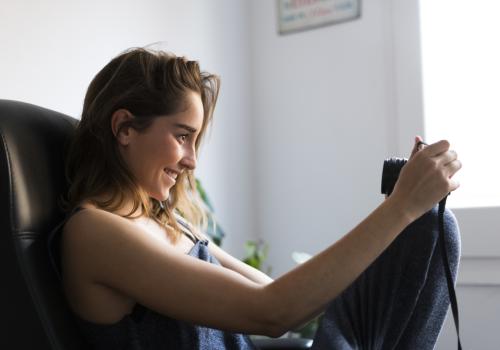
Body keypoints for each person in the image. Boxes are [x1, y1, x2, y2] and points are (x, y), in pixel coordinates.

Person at [47, 47, 462, 350]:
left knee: (431, 227)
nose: (191, 161)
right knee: (414, 218)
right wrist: (399, 206)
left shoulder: (166, 221)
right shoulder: (94, 231)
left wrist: (403, 214)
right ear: (124, 128)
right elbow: (270, 313)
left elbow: (273, 291)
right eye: (181, 136)